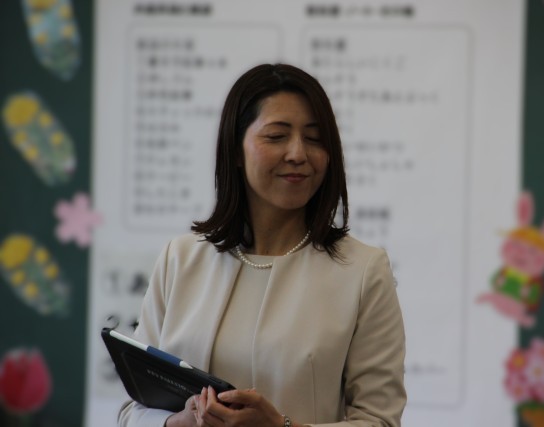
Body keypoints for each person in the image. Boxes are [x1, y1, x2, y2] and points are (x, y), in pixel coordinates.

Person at [118, 63, 406, 427]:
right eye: (277, 136)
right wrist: (181, 423)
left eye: (315, 138)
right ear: (236, 150)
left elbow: (380, 420)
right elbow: (132, 411)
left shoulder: (364, 271)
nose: (298, 153)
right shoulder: (181, 259)